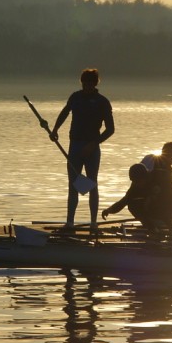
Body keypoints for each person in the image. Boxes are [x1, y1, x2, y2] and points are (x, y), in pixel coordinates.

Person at [50, 68, 114, 234]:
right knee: (73, 185)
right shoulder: (75, 97)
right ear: (82, 82)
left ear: (95, 83)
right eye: (85, 83)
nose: (87, 86)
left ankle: (93, 223)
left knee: (92, 184)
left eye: (90, 83)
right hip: (75, 146)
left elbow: (110, 129)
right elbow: (64, 112)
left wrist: (93, 144)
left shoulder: (102, 102)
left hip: (92, 148)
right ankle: (70, 223)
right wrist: (55, 129)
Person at [104, 142, 172, 242]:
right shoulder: (137, 184)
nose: (138, 184)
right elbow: (124, 201)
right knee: (132, 205)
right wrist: (109, 210)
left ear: (145, 176)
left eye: (139, 181)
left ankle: (170, 229)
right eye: (135, 182)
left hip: (166, 206)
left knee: (159, 203)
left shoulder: (162, 175)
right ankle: (152, 228)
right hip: (154, 207)